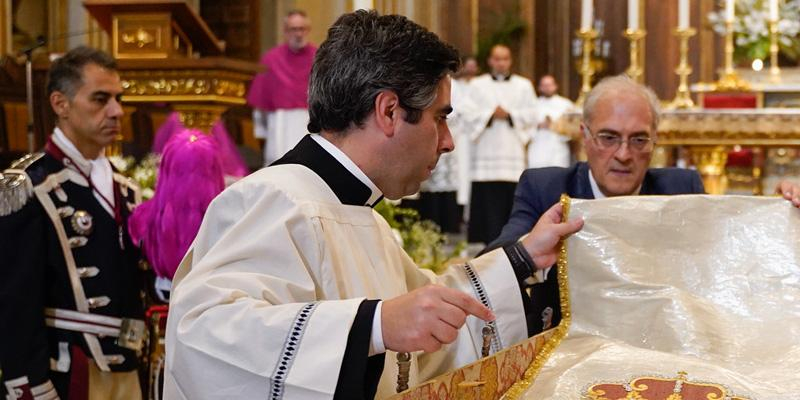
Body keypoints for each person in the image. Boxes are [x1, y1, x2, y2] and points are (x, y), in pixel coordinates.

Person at [164, 11, 583, 400]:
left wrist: (525, 256)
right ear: (388, 111)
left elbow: (428, 311)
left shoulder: (358, 213)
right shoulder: (274, 198)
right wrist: (374, 326)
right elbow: (201, 336)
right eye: (440, 117)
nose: (449, 141)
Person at [488, 74, 800, 337]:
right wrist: (529, 253)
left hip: (658, 347)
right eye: (609, 137)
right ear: (584, 135)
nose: (623, 154)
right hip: (568, 345)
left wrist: (779, 216)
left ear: (655, 141)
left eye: (638, 140)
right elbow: (489, 265)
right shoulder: (546, 189)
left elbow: (732, 262)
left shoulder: (681, 190)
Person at [0, 46, 145, 400]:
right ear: (60, 104)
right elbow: (14, 301)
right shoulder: (28, 187)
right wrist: (30, 385)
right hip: (67, 370)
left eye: (118, 98)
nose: (116, 112)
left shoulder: (126, 189)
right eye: (100, 99)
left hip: (127, 364)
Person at [467, 44, 539, 245]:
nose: (501, 63)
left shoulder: (523, 85)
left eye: (505, 59)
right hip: (485, 153)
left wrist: (510, 115)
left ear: (510, 61)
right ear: (490, 61)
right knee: (488, 202)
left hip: (512, 152)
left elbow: (533, 114)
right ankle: (488, 242)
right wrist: (490, 114)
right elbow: (467, 113)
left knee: (511, 200)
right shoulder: (477, 85)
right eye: (497, 59)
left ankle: (511, 242)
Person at [246, 10, 316, 166]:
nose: (298, 34)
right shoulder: (271, 59)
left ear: (308, 30)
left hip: (310, 124)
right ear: (285, 31)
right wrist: (262, 132)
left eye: (302, 29)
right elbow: (260, 108)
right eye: (294, 29)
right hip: (279, 126)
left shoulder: (319, 58)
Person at [527, 75, 574, 168]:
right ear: (539, 88)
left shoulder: (565, 104)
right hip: (538, 147)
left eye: (549, 85)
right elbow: (524, 124)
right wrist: (538, 126)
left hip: (558, 147)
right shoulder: (533, 104)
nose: (547, 88)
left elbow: (572, 126)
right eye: (544, 85)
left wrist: (555, 125)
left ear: (555, 86)